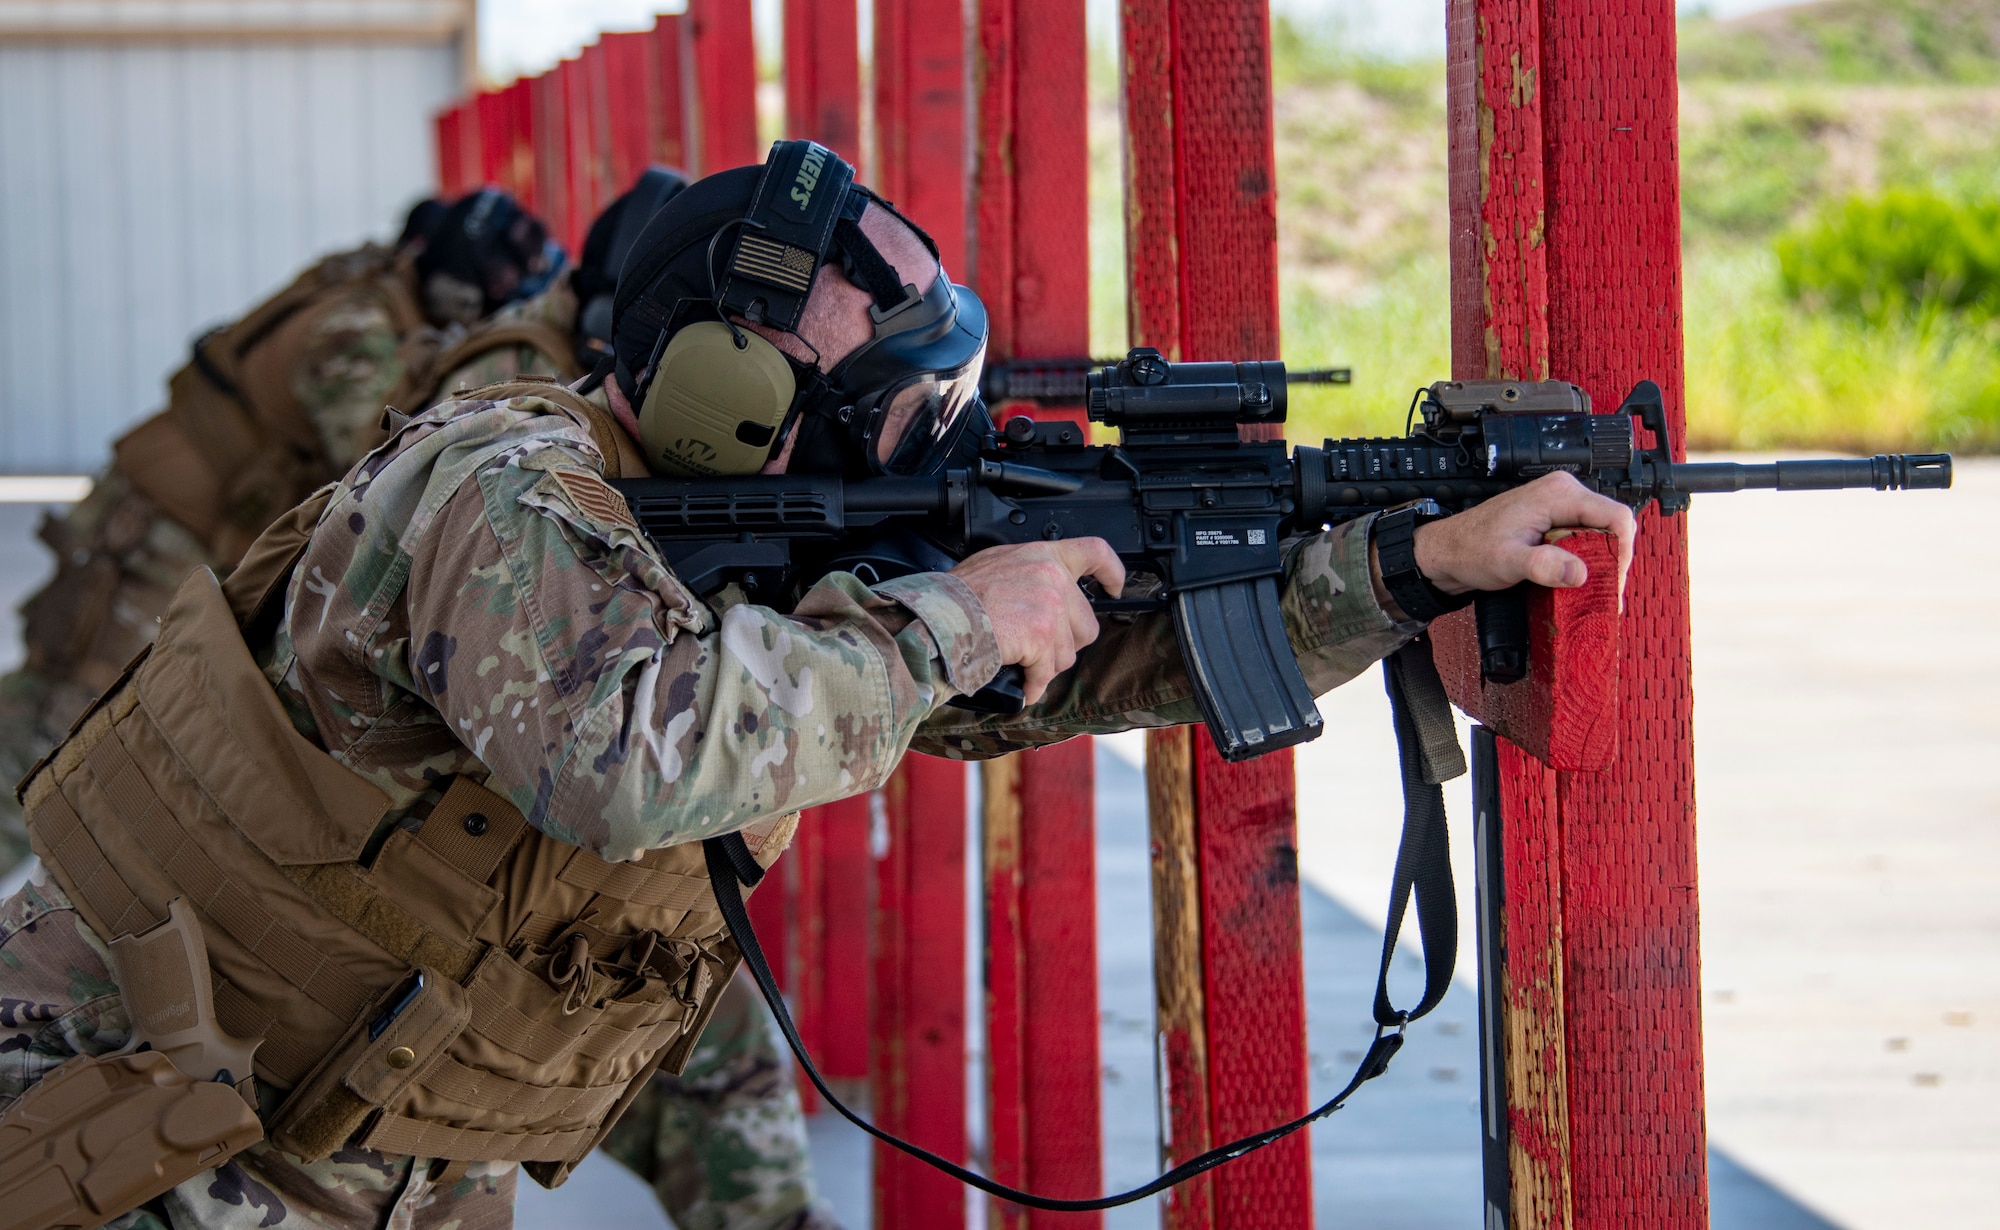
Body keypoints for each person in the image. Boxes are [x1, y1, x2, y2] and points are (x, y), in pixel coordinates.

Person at [0, 142, 1637, 1229]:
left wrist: (1410, 565)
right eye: (872, 395)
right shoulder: (501, 478)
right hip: (130, 1102)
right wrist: (946, 617)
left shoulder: (724, 545)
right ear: (712, 380)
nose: (909, 440)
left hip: (360, 1122)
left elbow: (1039, 687)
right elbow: (620, 759)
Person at [0, 189, 563, 873]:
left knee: (73, 722)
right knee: (54, 719)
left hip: (178, 532)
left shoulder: (382, 292)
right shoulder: (359, 326)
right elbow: (373, 453)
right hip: (152, 538)